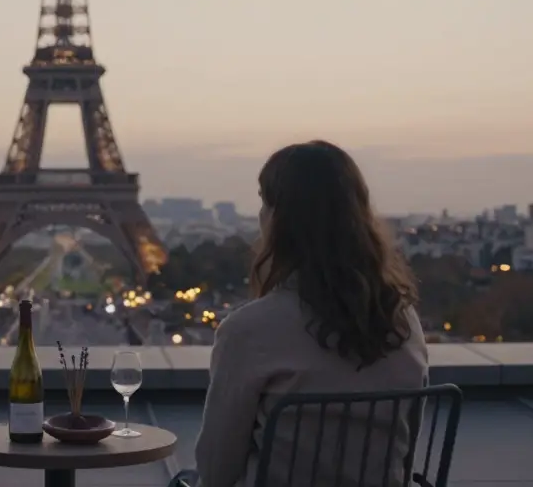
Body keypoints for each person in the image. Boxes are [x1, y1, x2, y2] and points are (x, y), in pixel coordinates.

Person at [183, 140, 428, 487]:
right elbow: (404, 455)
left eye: (265, 202)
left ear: (280, 222)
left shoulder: (249, 330)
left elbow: (216, 470)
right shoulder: (404, 321)